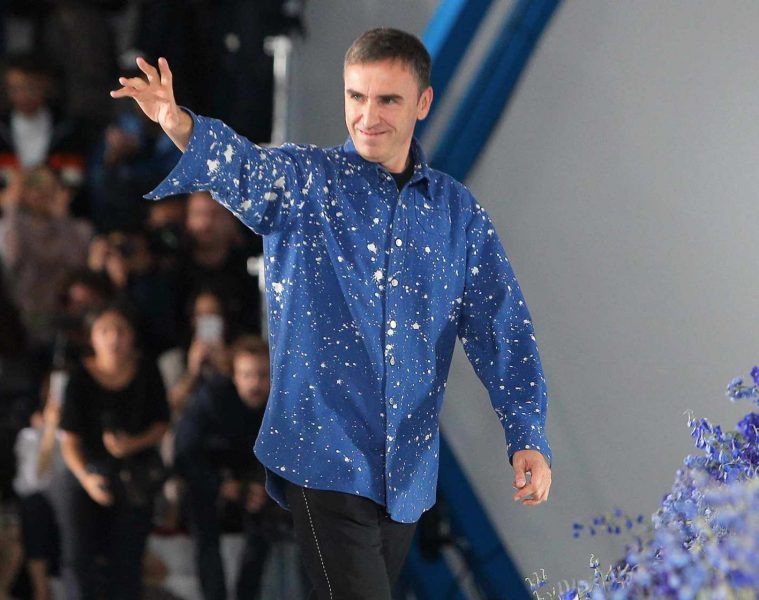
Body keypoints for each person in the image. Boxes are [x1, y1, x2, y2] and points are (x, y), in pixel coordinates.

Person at [112, 27, 552, 599]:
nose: (368, 115)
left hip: (406, 473)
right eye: (356, 96)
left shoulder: (456, 213)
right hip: (321, 453)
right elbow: (241, 167)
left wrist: (526, 434)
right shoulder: (305, 180)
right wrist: (176, 122)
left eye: (388, 99)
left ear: (423, 102)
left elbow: (501, 326)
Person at [58, 300, 170, 600]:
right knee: (78, 557)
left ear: (132, 335)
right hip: (88, 473)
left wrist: (132, 444)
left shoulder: (147, 370)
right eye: (105, 331)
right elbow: (69, 440)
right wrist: (86, 478)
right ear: (92, 337)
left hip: (135, 474)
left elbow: (161, 422)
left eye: (120, 330)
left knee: (127, 562)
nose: (113, 339)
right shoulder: (79, 378)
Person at [173, 335, 277, 600]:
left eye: (262, 375)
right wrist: (221, 485)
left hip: (257, 482)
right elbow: (185, 453)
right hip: (209, 479)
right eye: (247, 375)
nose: (255, 383)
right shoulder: (211, 398)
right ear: (234, 376)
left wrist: (261, 486)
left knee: (267, 518)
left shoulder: (280, 404)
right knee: (202, 514)